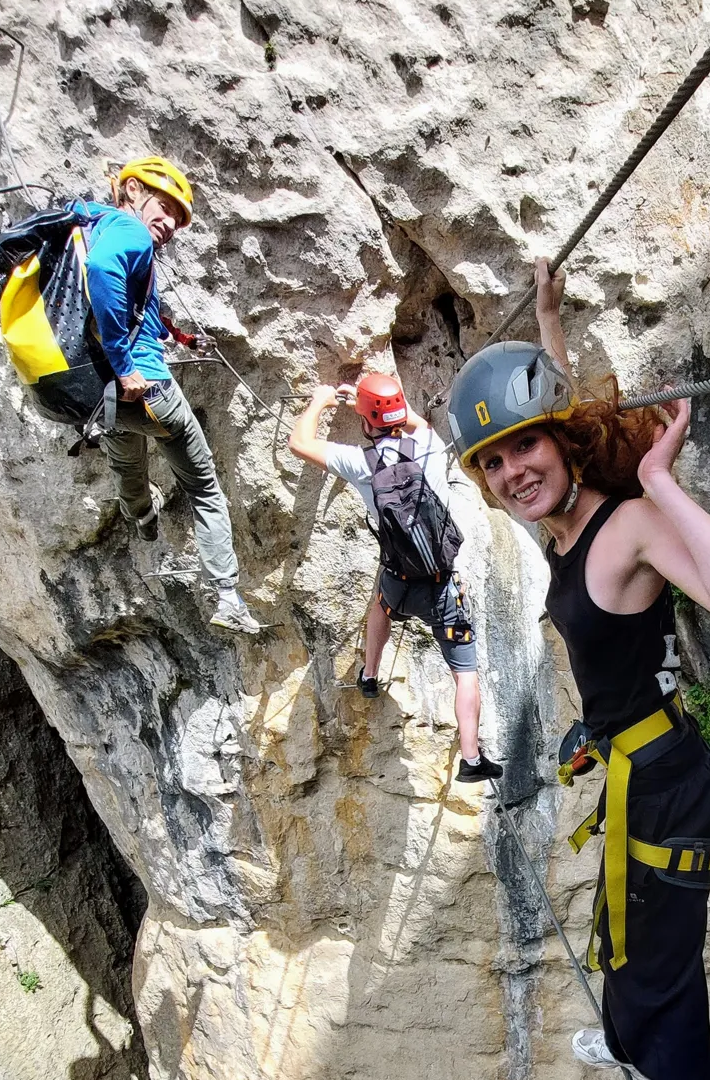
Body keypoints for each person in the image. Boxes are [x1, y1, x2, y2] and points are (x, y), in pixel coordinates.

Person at [446, 263, 710, 1080]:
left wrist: (663, 482)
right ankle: (628, 1038)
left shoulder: (628, 524)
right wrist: (550, 323)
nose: (513, 472)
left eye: (526, 448)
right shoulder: (563, 528)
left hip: (669, 781)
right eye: (495, 462)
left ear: (564, 442)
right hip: (635, 765)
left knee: (664, 967)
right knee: (621, 920)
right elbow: (556, 423)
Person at [288, 373, 503, 783]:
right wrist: (377, 406)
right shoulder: (429, 446)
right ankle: (472, 759)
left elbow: (299, 443)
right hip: (441, 587)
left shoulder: (360, 463)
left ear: (365, 421)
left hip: (398, 581)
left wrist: (321, 400)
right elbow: (415, 423)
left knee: (381, 606)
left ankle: (369, 674)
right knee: (465, 673)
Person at [79, 156, 260, 634]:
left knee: (127, 463)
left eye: (178, 220)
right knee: (205, 489)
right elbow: (103, 270)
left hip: (103, 399)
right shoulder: (129, 232)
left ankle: (142, 517)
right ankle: (228, 597)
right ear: (132, 190)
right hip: (148, 391)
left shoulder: (92, 226)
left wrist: (182, 339)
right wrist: (126, 367)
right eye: (165, 208)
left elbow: (137, 308)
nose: (170, 225)